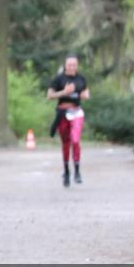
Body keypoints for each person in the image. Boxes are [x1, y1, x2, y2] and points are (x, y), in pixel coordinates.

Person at [47, 55, 90, 187]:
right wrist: (63, 92)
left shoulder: (81, 79)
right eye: (69, 64)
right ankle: (66, 171)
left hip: (76, 112)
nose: (72, 67)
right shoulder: (58, 79)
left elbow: (86, 93)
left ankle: (77, 171)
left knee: (75, 140)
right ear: (65, 65)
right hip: (63, 112)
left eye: (74, 65)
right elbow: (49, 95)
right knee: (66, 143)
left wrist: (85, 95)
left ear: (77, 66)